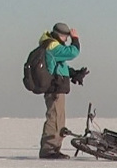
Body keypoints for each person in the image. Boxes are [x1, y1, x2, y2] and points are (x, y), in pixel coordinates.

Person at [36, 23, 86, 158]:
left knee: (59, 119)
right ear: (60, 35)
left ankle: (54, 149)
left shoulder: (53, 46)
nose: (67, 40)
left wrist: (74, 74)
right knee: (55, 119)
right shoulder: (52, 45)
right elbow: (73, 52)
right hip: (54, 89)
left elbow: (59, 68)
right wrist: (75, 39)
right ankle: (49, 151)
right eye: (66, 36)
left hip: (57, 89)